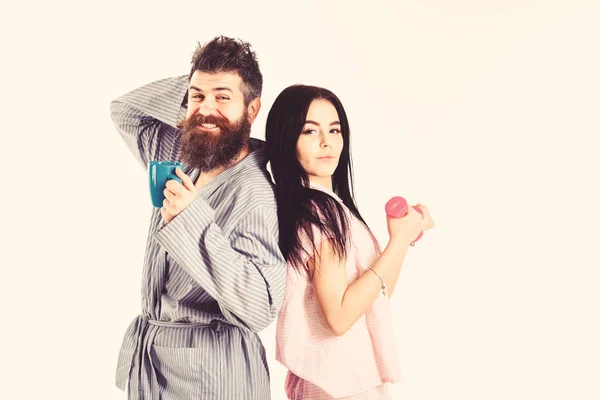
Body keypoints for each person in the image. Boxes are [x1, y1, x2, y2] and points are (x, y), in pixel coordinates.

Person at [111, 36, 286, 400]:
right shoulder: (184, 159)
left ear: (252, 110)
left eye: (223, 97)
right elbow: (125, 110)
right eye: (198, 97)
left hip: (213, 378)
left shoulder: (254, 193)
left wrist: (191, 220)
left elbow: (260, 306)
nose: (207, 110)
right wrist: (194, 90)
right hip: (156, 369)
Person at [266, 85, 435, 399]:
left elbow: (376, 297)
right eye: (309, 131)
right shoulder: (316, 211)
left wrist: (402, 238)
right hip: (337, 385)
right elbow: (340, 317)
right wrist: (398, 242)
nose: (326, 141)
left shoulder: (335, 207)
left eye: (334, 129)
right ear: (287, 139)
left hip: (350, 379)